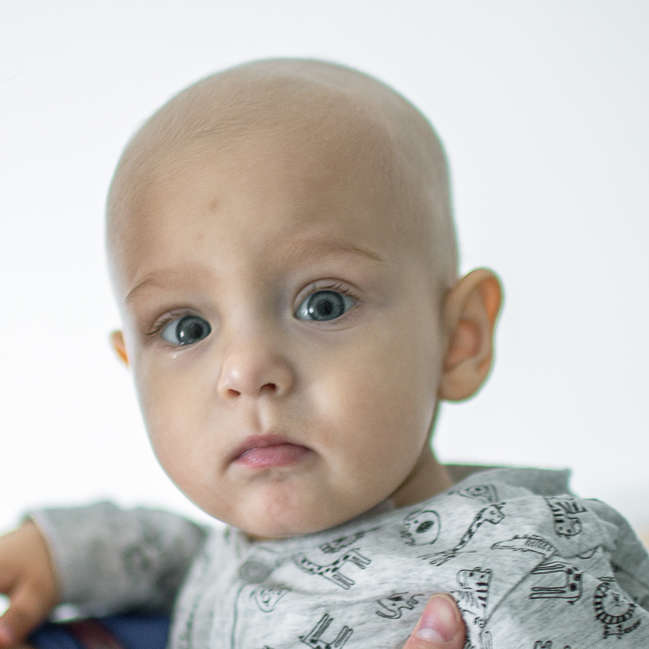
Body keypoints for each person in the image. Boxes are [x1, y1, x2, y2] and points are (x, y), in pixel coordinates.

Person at [0, 57, 648, 649]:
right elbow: (192, 559)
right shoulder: (247, 544)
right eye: (187, 329)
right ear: (133, 371)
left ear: (459, 339)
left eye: (323, 304)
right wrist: (63, 552)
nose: (246, 369)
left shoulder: (521, 577)